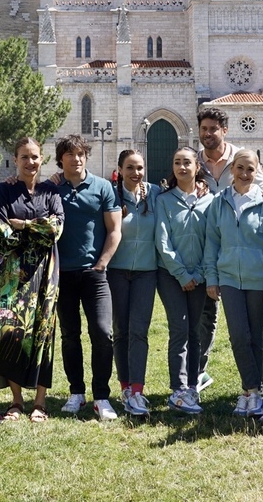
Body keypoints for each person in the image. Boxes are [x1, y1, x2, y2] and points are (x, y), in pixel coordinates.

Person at [0, 137, 64, 423]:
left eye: (35, 157)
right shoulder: (5, 191)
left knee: (43, 335)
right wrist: (35, 229)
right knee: (11, 333)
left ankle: (40, 403)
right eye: (24, 157)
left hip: (45, 275)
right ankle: (17, 401)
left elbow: (55, 230)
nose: (30, 162)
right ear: (16, 160)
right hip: (10, 275)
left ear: (42, 159)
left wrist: (23, 225)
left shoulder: (51, 191)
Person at [195, 107, 263, 394]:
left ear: (224, 130)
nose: (208, 133)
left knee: (256, 330)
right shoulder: (194, 163)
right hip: (219, 264)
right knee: (215, 324)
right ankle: (202, 375)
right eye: (204, 129)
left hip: (253, 270)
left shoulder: (245, 166)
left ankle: (261, 383)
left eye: (213, 128)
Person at [53, 133, 122, 421]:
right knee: (70, 335)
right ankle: (76, 392)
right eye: (70, 154)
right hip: (62, 275)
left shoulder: (103, 187)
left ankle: (102, 396)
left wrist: (102, 263)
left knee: (103, 334)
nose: (76, 158)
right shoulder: (52, 189)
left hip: (94, 275)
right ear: (61, 160)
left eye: (81, 153)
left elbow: (114, 229)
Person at [155, 147, 212, 415]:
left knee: (195, 332)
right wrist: (181, 274)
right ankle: (178, 389)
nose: (182, 167)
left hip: (199, 277)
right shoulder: (164, 200)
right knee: (179, 329)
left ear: (197, 166)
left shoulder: (209, 201)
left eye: (187, 162)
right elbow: (163, 241)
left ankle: (192, 385)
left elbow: (212, 241)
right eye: (177, 162)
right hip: (171, 276)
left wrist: (199, 274)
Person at [109, 149, 160, 417]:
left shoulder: (155, 194)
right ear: (120, 169)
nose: (136, 173)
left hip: (146, 272)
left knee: (139, 330)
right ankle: (125, 386)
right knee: (121, 331)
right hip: (116, 271)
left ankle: (138, 391)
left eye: (139, 167)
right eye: (130, 167)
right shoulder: (110, 195)